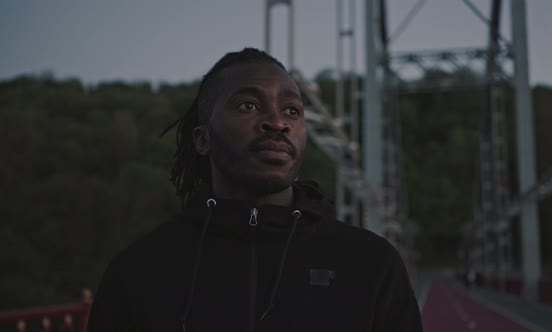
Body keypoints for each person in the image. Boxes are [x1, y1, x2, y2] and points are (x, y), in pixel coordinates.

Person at [88, 47, 422, 332]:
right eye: (248, 105)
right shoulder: (139, 272)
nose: (278, 122)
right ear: (202, 139)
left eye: (292, 110)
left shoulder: (371, 264)